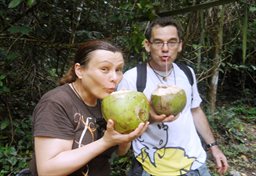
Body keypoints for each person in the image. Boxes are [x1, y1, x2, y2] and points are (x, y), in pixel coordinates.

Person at [117, 17, 229, 176]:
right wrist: (151, 118)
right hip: (152, 166)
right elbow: (124, 127)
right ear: (148, 45)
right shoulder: (132, 78)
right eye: (158, 42)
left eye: (171, 42)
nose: (165, 48)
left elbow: (195, 110)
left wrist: (214, 146)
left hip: (194, 163)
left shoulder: (187, 73)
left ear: (180, 45)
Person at [29, 39, 149, 176]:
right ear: (79, 71)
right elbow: (48, 170)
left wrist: (127, 134)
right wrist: (105, 142)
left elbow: (120, 152)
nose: (115, 78)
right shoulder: (56, 103)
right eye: (105, 69)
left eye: (118, 70)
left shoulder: (107, 103)